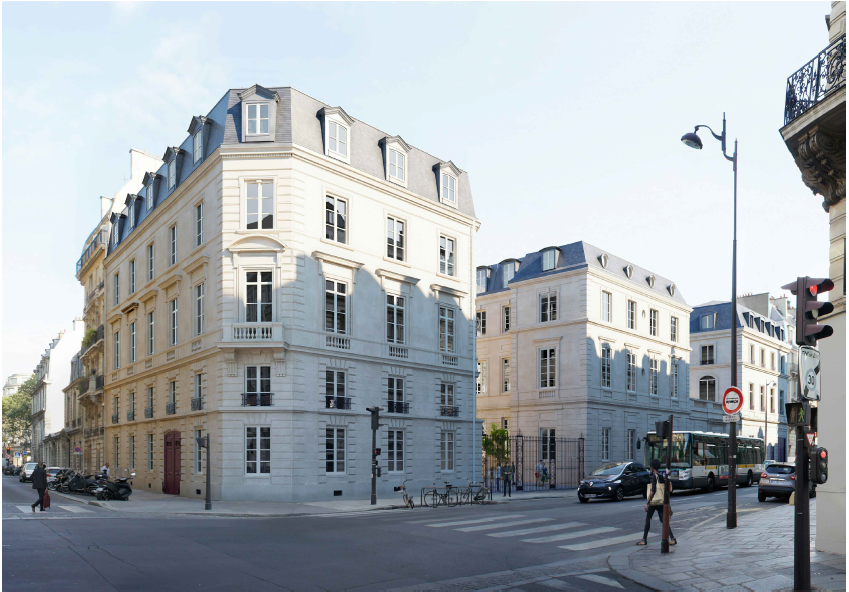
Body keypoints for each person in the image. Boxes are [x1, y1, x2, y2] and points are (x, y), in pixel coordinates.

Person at [637, 459, 676, 546]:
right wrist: (669, 506)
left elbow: (653, 491)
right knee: (663, 520)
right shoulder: (661, 476)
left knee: (648, 519)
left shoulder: (654, 476)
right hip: (661, 502)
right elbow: (665, 491)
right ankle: (673, 538)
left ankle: (644, 539)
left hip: (654, 502)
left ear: (652, 467)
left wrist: (647, 502)